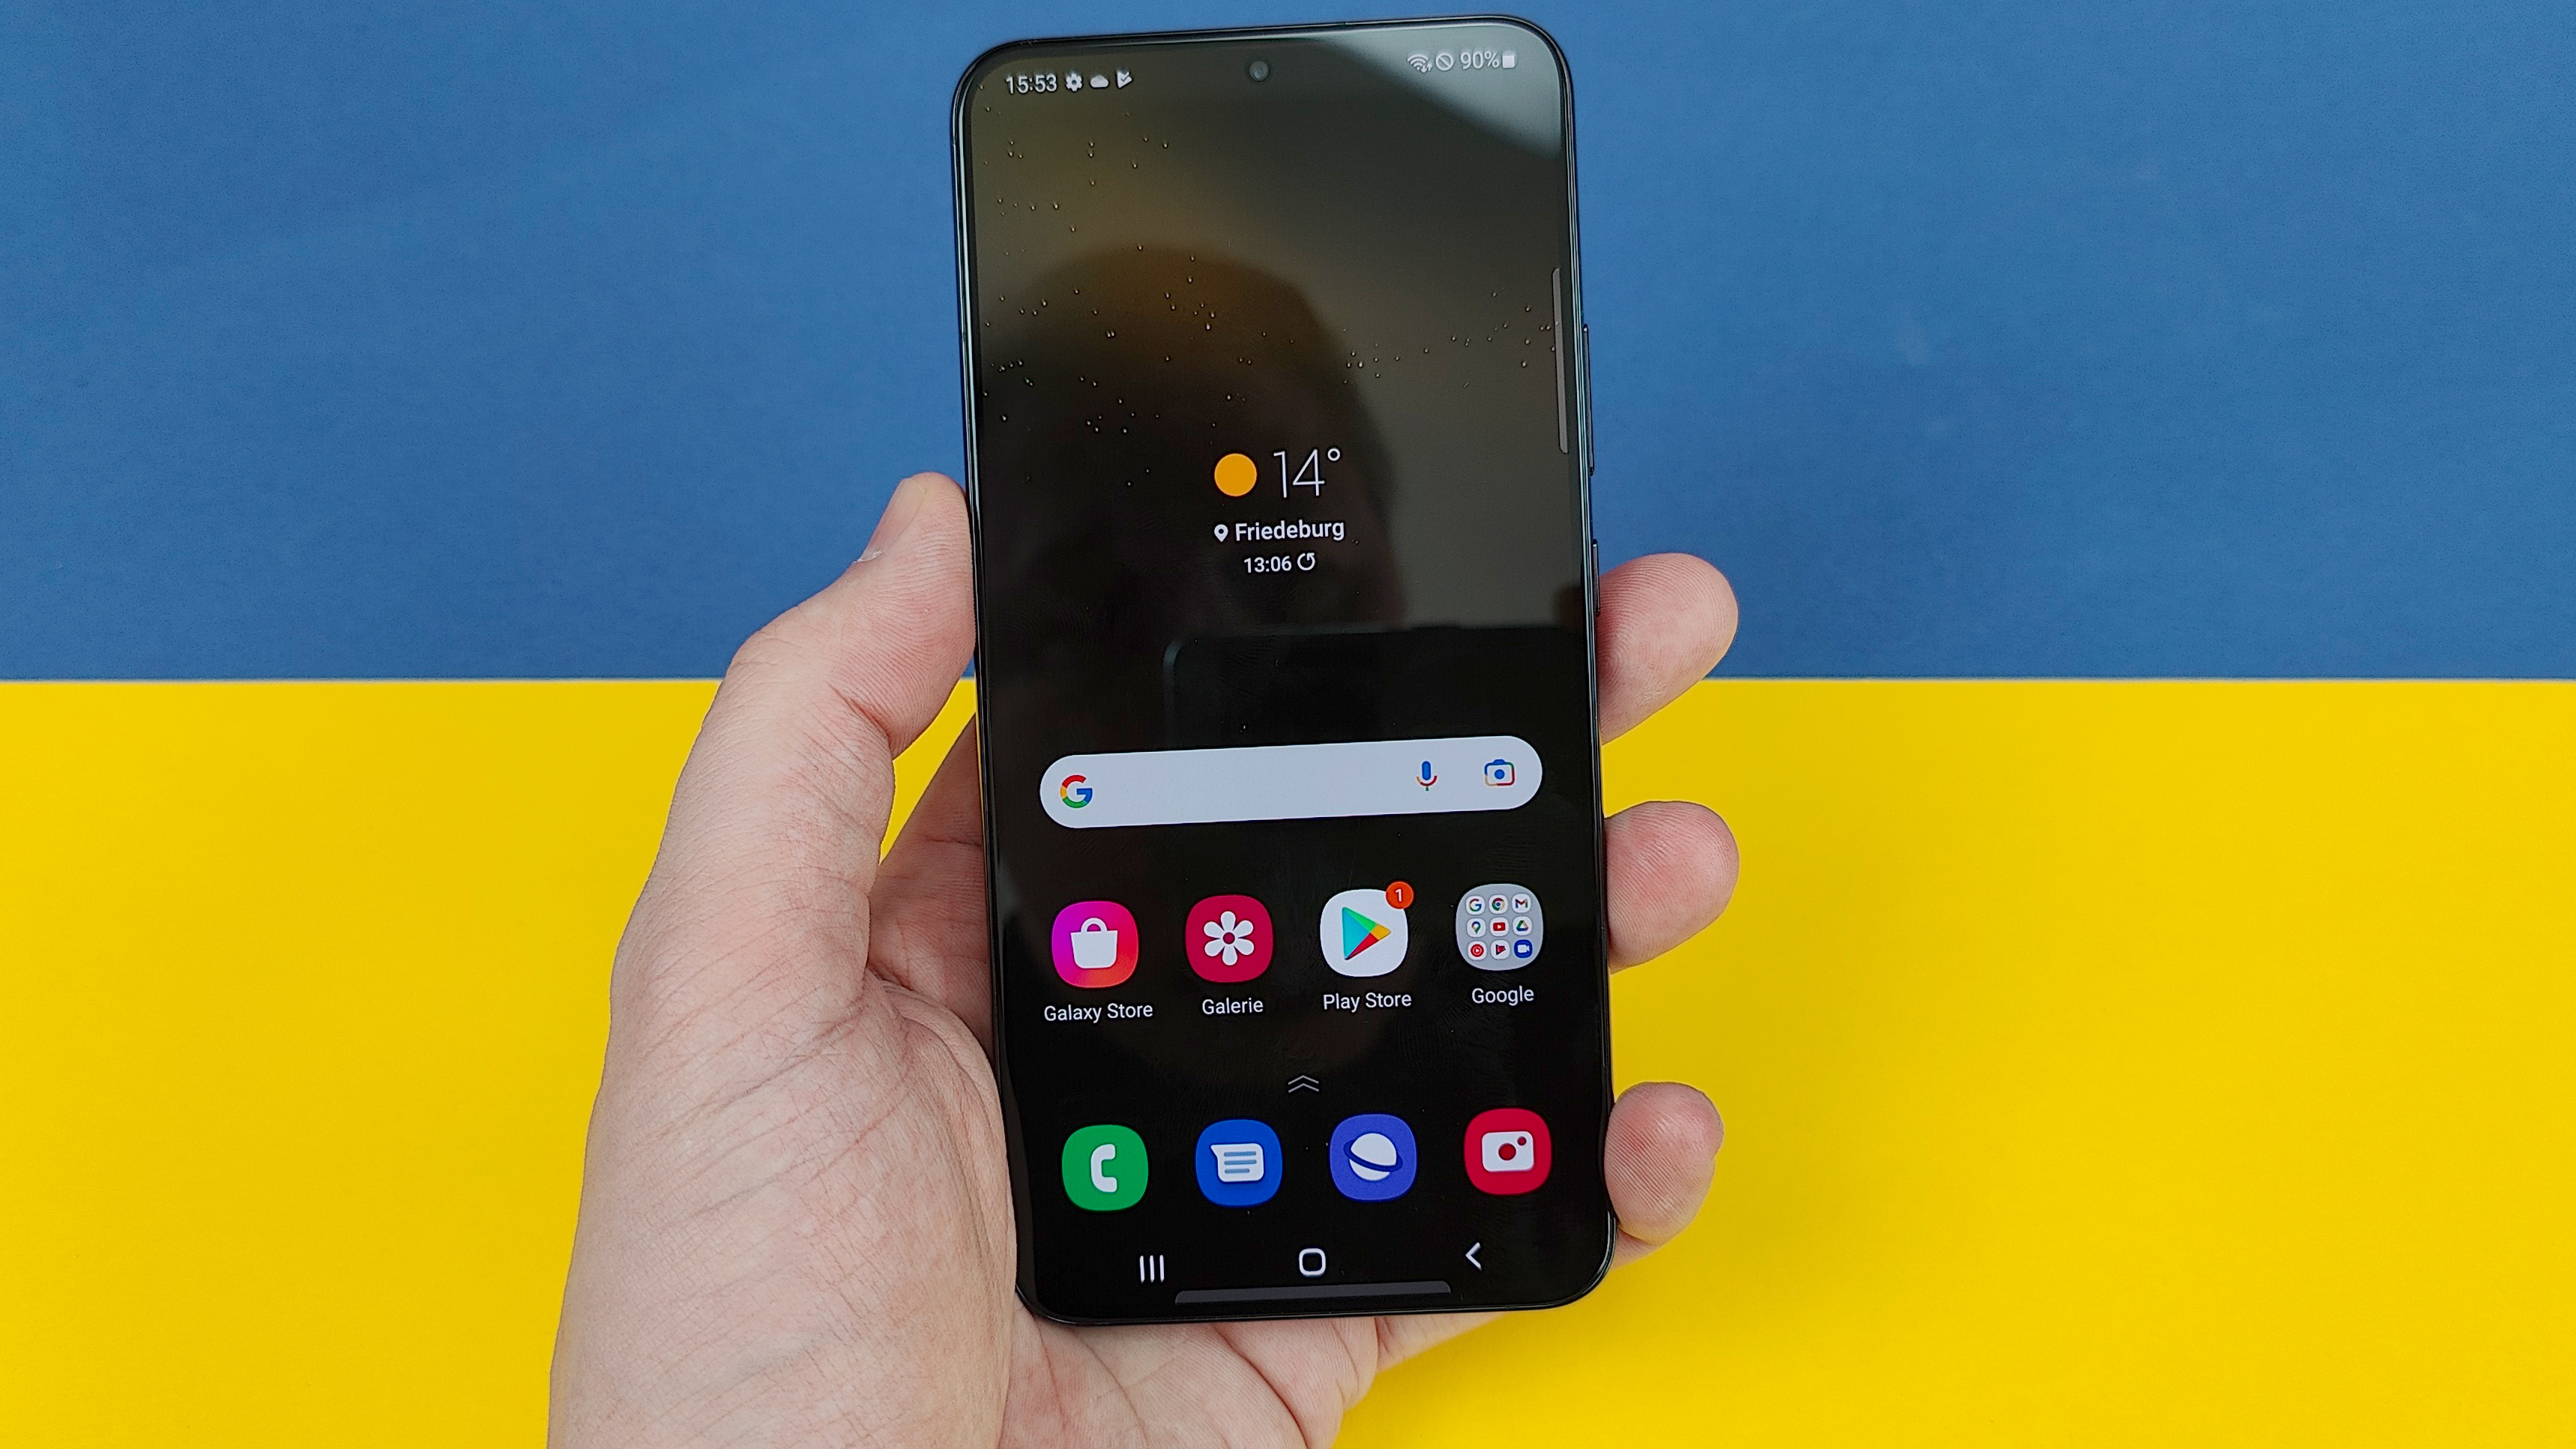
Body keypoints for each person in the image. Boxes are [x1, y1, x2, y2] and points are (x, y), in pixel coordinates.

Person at [549, 474, 1743, 1446]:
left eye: (1295, 576)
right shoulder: (987, 1097)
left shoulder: (1497, 974)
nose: (1226, 644)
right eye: (1099, 607)